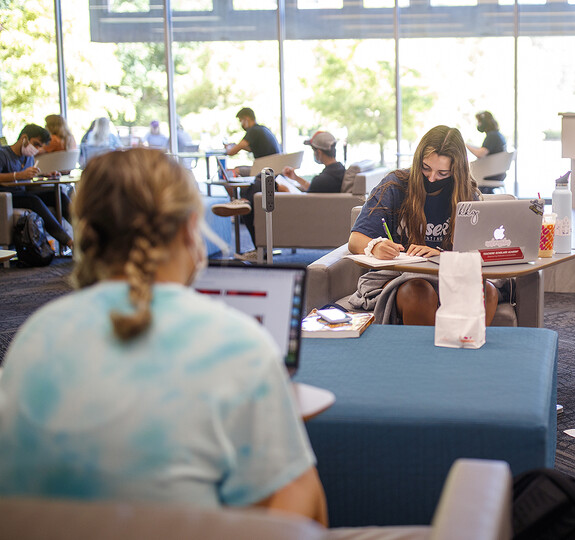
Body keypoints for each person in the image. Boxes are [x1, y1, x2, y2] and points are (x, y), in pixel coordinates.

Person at [0, 148, 328, 526]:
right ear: (191, 227)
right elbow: (302, 512)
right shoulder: (234, 342)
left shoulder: (36, 335)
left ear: (87, 230)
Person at [345, 125, 499, 326]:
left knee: (487, 291)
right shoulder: (395, 185)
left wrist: (440, 255)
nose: (432, 178)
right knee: (420, 292)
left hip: (448, 276)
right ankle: (424, 358)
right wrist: (375, 246)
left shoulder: (466, 194)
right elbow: (355, 239)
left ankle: (464, 355)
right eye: (426, 168)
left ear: (456, 170)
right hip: (400, 277)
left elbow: (477, 253)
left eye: (442, 173)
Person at [211, 130, 343, 258]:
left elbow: (309, 200)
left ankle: (243, 202)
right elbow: (313, 191)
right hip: (308, 204)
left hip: (301, 211)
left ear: (319, 152)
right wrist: (295, 178)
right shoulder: (337, 171)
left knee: (260, 182)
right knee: (261, 182)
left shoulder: (324, 179)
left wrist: (285, 190)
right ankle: (243, 201)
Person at [0, 124, 73, 247]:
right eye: (36, 144)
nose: (36, 148)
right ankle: (69, 242)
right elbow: (20, 176)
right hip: (6, 196)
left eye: (39, 146)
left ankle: (89, 229)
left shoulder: (28, 157)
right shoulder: (3, 154)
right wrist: (17, 175)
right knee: (34, 200)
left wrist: (44, 175)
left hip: (23, 193)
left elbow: (27, 177)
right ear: (24, 138)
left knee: (57, 196)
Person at [465, 111, 507, 194]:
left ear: (484, 123)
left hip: (491, 174)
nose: (478, 124)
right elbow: (484, 149)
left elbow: (480, 154)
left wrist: (465, 145)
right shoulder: (497, 135)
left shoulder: (491, 136)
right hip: (498, 173)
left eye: (479, 122)